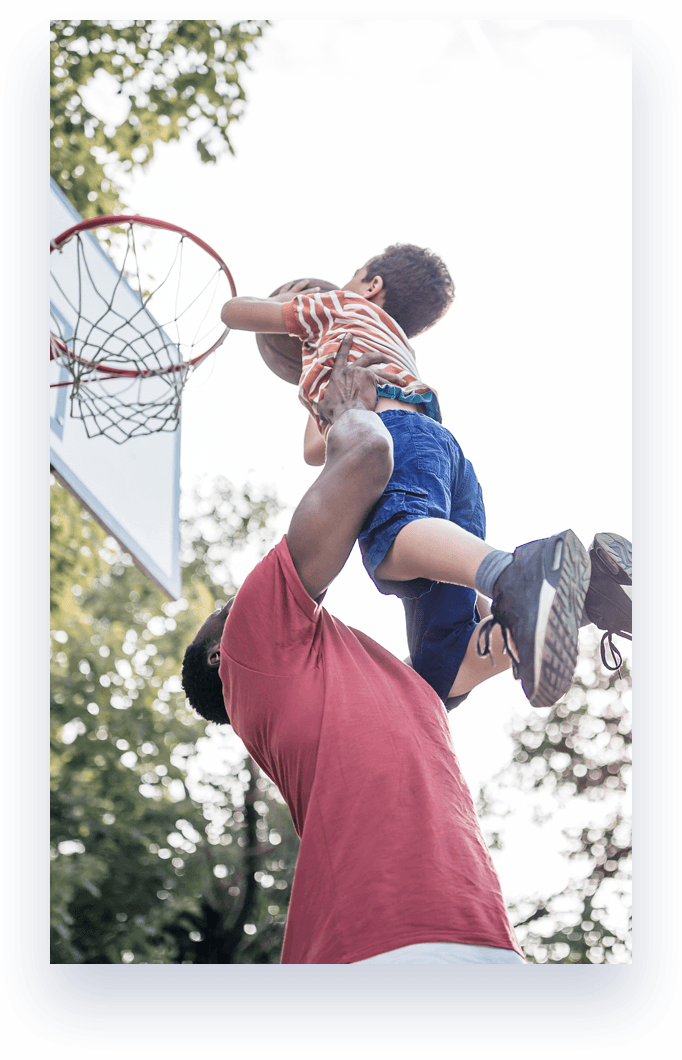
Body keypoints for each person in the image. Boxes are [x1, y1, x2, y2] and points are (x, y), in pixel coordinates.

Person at [181, 338, 528, 964]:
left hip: (479, 942)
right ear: (218, 656)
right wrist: (344, 412)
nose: (234, 598)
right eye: (218, 612)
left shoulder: (394, 685)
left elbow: (490, 649)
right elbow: (368, 455)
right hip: (372, 943)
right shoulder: (249, 647)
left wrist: (577, 600)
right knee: (394, 538)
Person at [220, 246, 632, 711]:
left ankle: (513, 575)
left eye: (351, 278)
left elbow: (233, 312)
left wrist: (287, 306)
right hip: (440, 453)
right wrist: (314, 371)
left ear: (371, 286)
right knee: (441, 668)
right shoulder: (391, 342)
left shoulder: (335, 305)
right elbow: (313, 449)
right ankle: (587, 592)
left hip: (394, 438)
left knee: (393, 540)